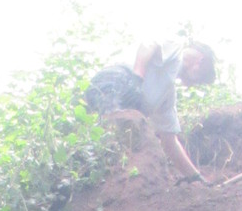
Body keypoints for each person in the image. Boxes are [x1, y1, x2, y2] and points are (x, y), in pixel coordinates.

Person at [85, 40, 218, 183]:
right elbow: (148, 45)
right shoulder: (175, 50)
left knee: (130, 142)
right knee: (114, 134)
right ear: (201, 61)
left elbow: (170, 142)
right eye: (201, 79)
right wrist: (137, 78)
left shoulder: (167, 95)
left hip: (126, 107)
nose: (195, 84)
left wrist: (195, 177)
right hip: (115, 82)